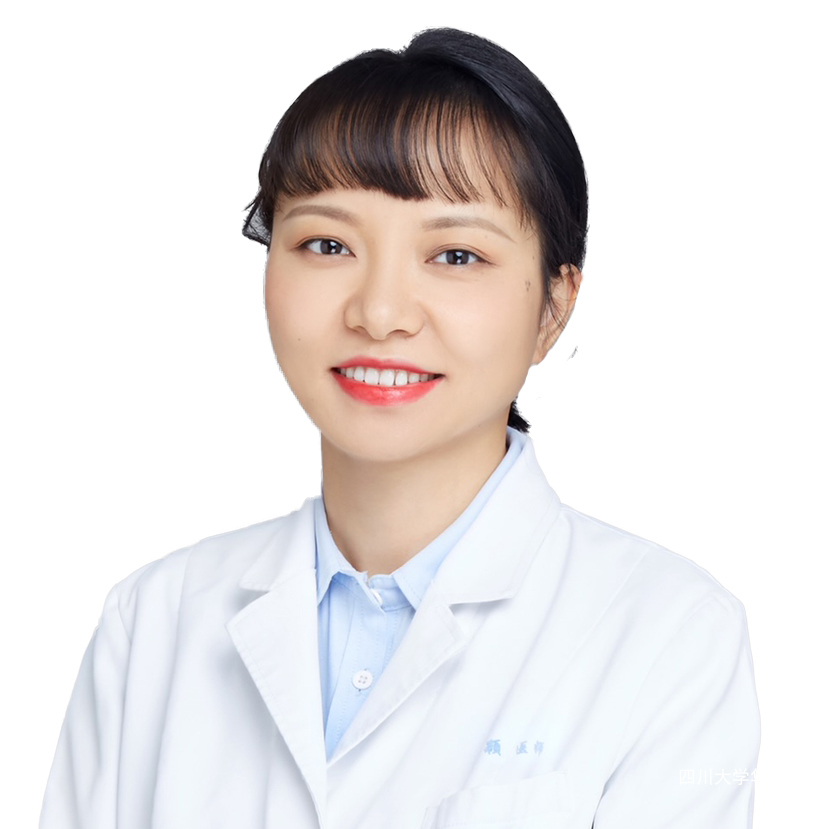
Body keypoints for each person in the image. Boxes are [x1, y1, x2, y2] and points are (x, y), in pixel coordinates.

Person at [40, 27, 760, 829]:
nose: (379, 312)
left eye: (455, 256)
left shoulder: (669, 635)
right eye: (327, 244)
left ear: (554, 308)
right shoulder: (154, 622)